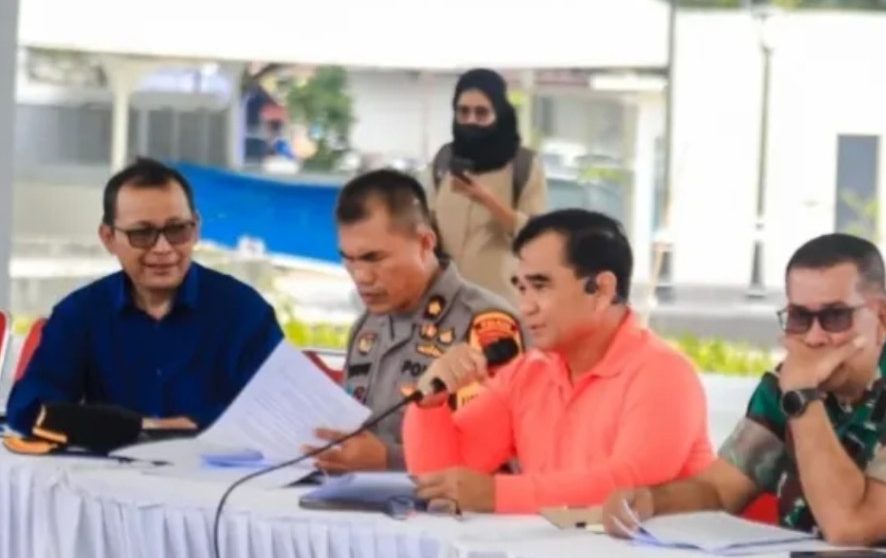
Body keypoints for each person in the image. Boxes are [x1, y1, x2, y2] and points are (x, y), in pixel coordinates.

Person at [602, 233, 886, 558]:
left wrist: (804, 398)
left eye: (835, 317)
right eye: (798, 317)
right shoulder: (789, 384)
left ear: (881, 319)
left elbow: (850, 527)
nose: (813, 338)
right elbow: (722, 489)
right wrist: (651, 501)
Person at [403, 209, 714, 514]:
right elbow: (442, 483)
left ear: (601, 289)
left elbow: (628, 491)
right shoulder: (528, 373)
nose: (525, 307)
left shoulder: (662, 373)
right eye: (521, 289)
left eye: (540, 287)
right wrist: (430, 404)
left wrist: (497, 493)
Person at [6, 158, 283, 434]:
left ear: (196, 229)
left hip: (219, 473)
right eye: (142, 233)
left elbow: (278, 409)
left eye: (177, 230)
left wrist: (171, 427)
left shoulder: (244, 312)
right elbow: (28, 409)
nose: (163, 248)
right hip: (105, 471)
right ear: (108, 238)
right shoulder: (80, 314)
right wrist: (112, 427)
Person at [305, 169, 525, 473]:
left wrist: (389, 460)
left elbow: (502, 461)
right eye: (349, 258)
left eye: (374, 258)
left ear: (425, 243)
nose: (361, 276)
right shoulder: (367, 327)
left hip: (447, 516)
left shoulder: (486, 325)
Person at [428, 68, 547, 302]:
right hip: (444, 304)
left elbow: (536, 237)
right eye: (463, 112)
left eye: (481, 113)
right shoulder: (444, 160)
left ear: (499, 114)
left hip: (499, 306)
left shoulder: (524, 166)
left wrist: (488, 201)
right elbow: (427, 223)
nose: (471, 120)